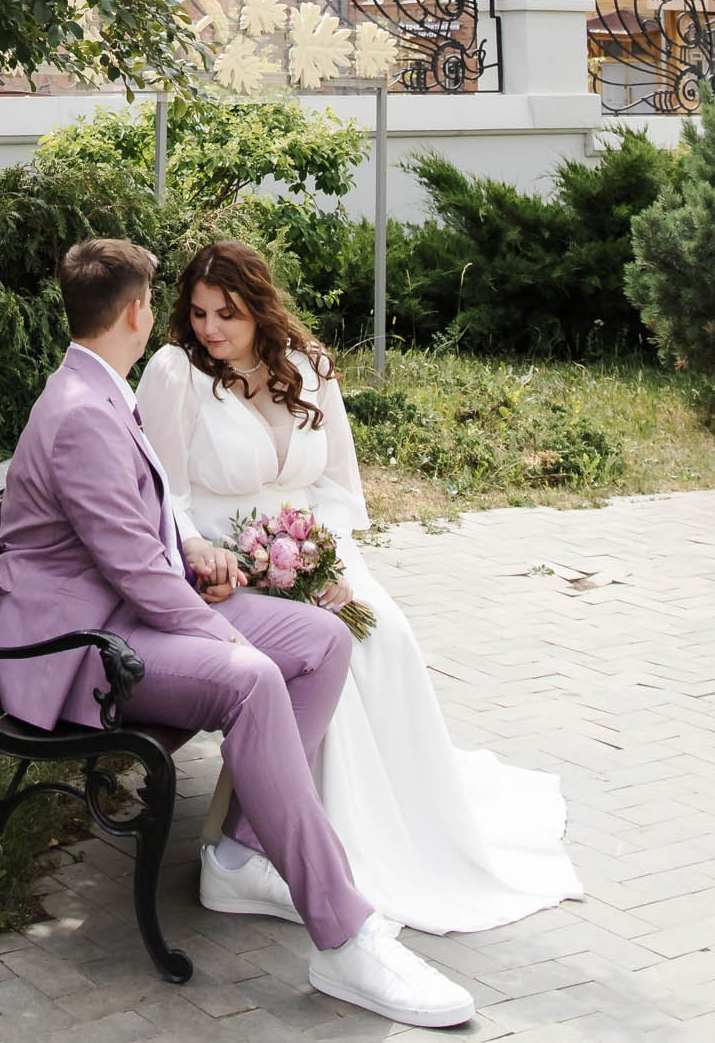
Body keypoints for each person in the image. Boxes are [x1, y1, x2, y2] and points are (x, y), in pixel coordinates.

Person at [0, 235, 476, 1028]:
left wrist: (199, 552)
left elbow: (147, 536)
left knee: (324, 640)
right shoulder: (81, 412)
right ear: (139, 311)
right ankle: (344, 938)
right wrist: (226, 639)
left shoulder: (99, 388)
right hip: (78, 647)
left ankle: (239, 854)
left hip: (128, 609)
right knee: (253, 675)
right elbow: (132, 570)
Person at [137, 239, 583, 937]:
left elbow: (337, 488)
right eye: (197, 314)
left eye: (226, 314)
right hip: (222, 568)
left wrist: (323, 563)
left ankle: (396, 819)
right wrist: (206, 552)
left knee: (385, 635)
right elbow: (164, 495)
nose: (210, 330)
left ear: (259, 307)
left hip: (313, 556)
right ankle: (268, 847)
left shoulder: (310, 369)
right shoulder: (176, 375)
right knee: (329, 652)